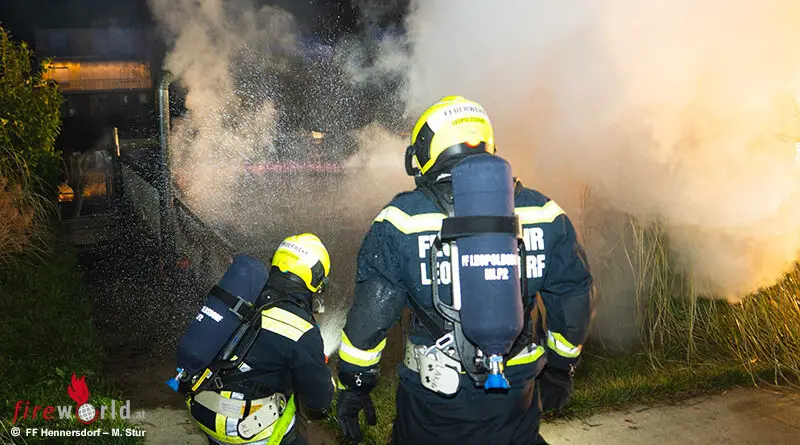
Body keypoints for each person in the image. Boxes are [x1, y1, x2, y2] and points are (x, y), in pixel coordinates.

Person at [334, 96, 594, 445]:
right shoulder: (543, 212)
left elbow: (370, 316)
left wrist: (355, 384)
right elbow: (574, 296)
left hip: (432, 399)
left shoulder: (401, 219)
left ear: (424, 152)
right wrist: (561, 368)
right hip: (516, 391)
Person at [187, 233, 335, 445]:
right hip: (243, 428)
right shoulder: (302, 329)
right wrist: (326, 380)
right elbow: (319, 401)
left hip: (203, 408)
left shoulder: (245, 295)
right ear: (315, 278)